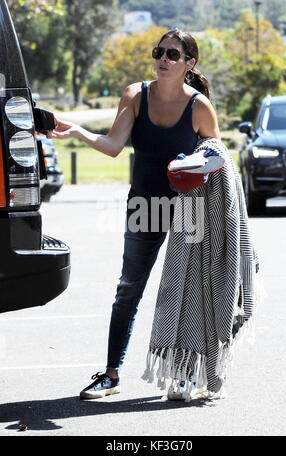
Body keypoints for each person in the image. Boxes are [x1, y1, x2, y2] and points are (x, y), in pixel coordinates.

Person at [47, 28, 221, 399]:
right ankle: (110, 375)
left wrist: (195, 164)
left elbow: (216, 158)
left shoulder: (199, 107)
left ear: (190, 63)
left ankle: (191, 375)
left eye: (173, 55)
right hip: (145, 206)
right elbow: (113, 146)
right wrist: (77, 131)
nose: (163, 59)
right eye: (160, 52)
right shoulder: (135, 95)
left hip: (188, 209)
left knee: (189, 294)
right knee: (128, 290)